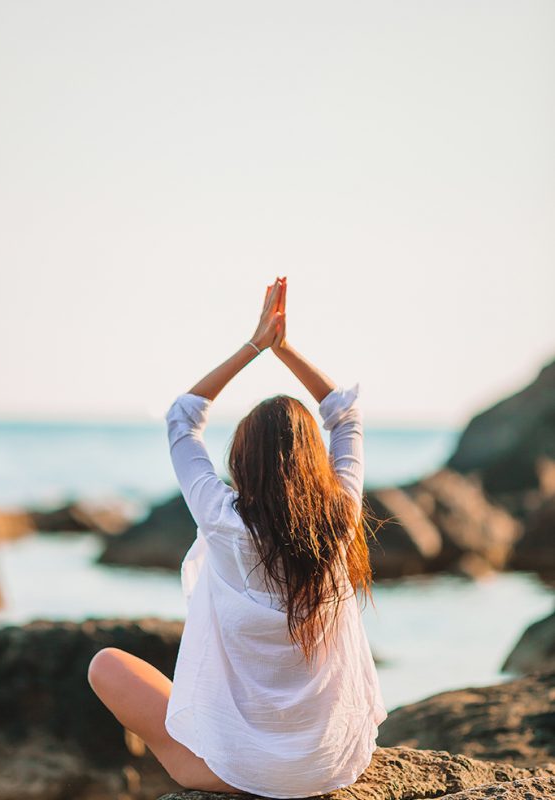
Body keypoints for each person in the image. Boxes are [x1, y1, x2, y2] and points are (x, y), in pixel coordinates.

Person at [88, 276, 387, 798]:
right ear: (314, 463)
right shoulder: (340, 519)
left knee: (105, 665)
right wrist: (286, 349)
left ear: (242, 461)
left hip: (233, 774)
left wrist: (256, 345)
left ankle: (244, 761)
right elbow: (346, 414)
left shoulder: (223, 520)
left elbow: (182, 419)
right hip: (331, 767)